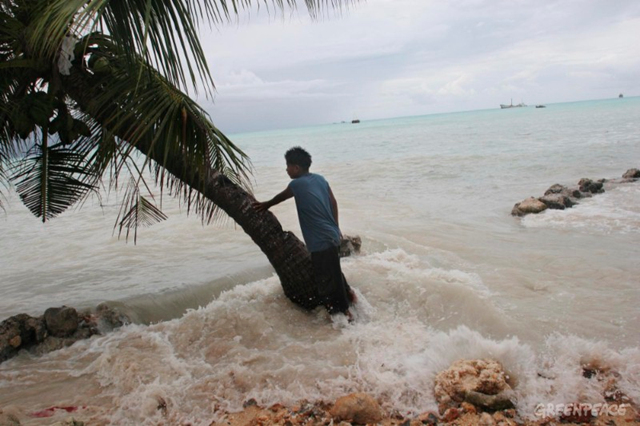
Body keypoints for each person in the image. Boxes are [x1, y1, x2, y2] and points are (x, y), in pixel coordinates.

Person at [253, 147, 356, 320]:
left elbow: (282, 196)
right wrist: (336, 226)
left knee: (325, 278)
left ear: (297, 168)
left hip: (319, 240)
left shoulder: (296, 184)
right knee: (333, 270)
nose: (286, 169)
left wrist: (266, 205)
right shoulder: (320, 179)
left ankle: (343, 312)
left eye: (288, 166)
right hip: (331, 233)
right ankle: (350, 297)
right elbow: (333, 201)